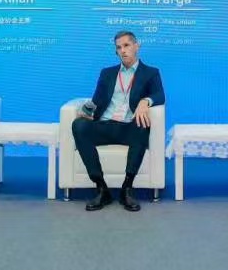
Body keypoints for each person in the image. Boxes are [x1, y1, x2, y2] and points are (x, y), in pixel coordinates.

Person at [70, 31, 166, 212]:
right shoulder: (107, 73)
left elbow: (159, 95)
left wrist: (146, 101)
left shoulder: (150, 73)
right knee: (79, 125)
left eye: (126, 45)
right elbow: (96, 100)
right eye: (119, 48)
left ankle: (126, 189)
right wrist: (86, 111)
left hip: (129, 127)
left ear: (136, 46)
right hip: (106, 124)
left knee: (142, 124)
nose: (123, 51)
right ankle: (101, 188)